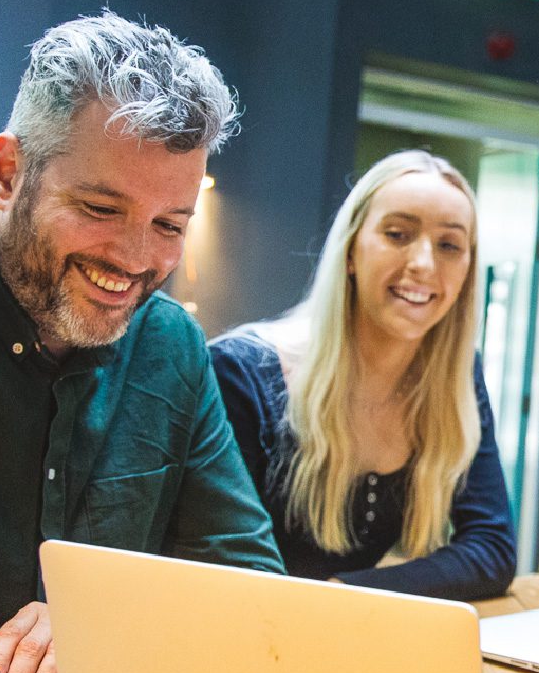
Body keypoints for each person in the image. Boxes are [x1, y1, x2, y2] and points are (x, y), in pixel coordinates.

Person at [0, 12, 282, 673]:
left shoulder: (172, 345)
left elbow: (251, 595)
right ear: (6, 174)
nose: (134, 259)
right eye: (99, 209)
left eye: (169, 225)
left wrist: (104, 631)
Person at [210, 150, 515, 601]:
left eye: (449, 245)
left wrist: (347, 594)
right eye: (398, 234)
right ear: (351, 250)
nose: (425, 264)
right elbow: (220, 567)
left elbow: (492, 549)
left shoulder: (455, 379)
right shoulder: (240, 373)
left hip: (345, 638)